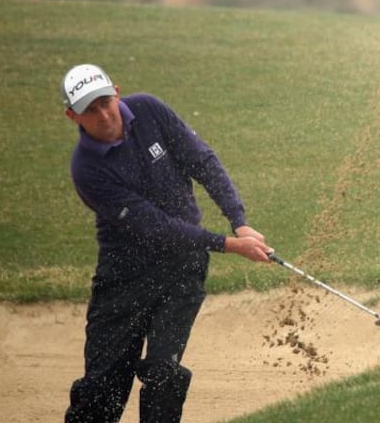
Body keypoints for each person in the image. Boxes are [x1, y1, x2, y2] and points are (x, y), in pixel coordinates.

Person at [60, 63, 273, 423]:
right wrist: (227, 244)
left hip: (182, 269)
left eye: (104, 102)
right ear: (72, 116)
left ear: (116, 92)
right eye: (89, 110)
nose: (103, 115)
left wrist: (240, 222)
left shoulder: (148, 110)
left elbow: (203, 161)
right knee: (102, 391)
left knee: (163, 372)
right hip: (124, 276)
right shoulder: (87, 169)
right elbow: (156, 226)